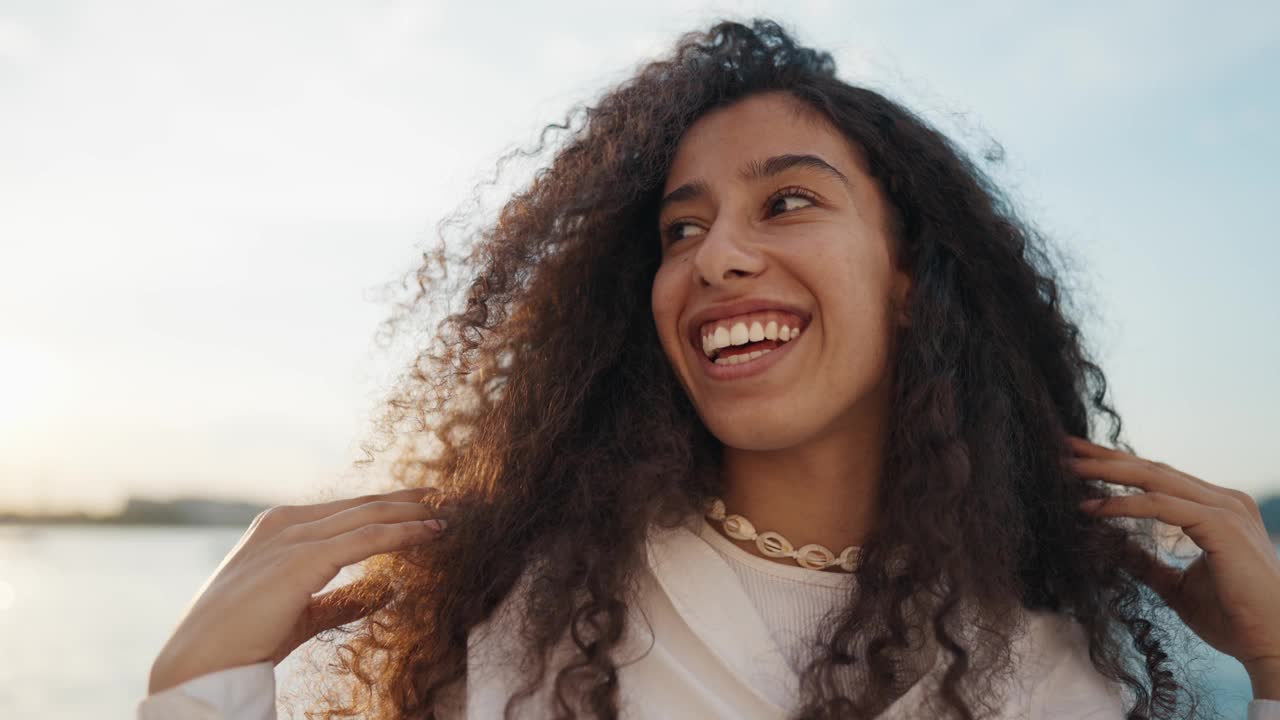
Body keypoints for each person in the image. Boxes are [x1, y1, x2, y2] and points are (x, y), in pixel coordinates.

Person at [137, 18, 1280, 720]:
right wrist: (198, 687)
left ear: (909, 277)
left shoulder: (1050, 670)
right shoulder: (520, 619)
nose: (718, 256)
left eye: (788, 202)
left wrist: (1275, 665)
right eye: (679, 231)